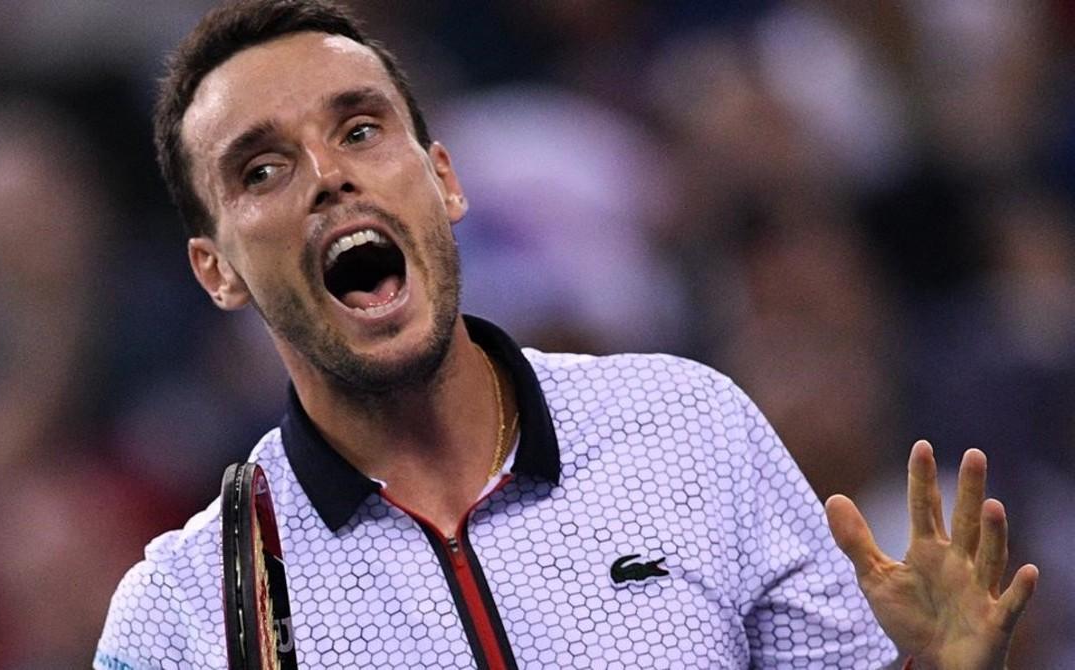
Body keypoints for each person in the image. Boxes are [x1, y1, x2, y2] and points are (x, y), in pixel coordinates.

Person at [96, 1, 1038, 668]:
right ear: (214, 270)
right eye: (260, 170)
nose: (327, 178)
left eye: (360, 129)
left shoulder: (689, 429)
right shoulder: (185, 615)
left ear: (445, 181)